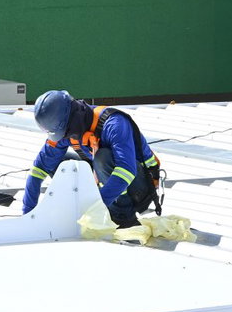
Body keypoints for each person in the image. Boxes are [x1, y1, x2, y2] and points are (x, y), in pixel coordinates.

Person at [22, 89, 163, 229]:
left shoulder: (114, 124)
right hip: (108, 183)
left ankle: (123, 217)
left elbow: (126, 171)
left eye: (65, 133)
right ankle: (84, 206)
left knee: (103, 158)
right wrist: (27, 216)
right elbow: (38, 170)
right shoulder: (68, 131)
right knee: (61, 165)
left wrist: (93, 211)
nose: (65, 137)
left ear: (71, 121)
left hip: (139, 188)